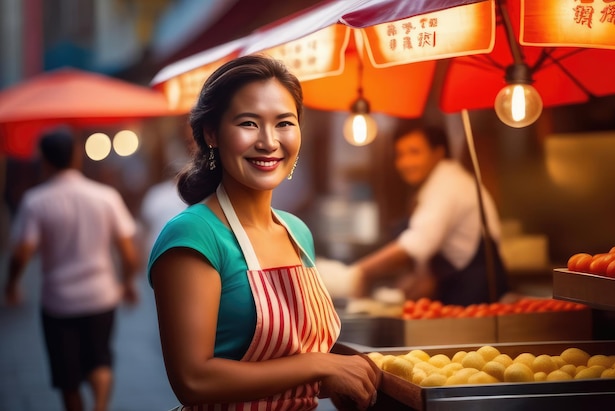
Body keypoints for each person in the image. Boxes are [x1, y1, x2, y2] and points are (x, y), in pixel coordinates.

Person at [147, 54, 379, 411]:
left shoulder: (297, 232)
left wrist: (343, 375)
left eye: (284, 123)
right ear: (212, 134)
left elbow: (287, 374)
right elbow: (193, 380)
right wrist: (318, 363)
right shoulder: (193, 235)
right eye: (249, 123)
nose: (269, 142)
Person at [4, 128, 140, 411]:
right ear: (77, 156)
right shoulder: (106, 196)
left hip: (58, 302)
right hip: (101, 295)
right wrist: (127, 282)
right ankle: (101, 407)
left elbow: (22, 252)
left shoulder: (36, 201)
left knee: (67, 378)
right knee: (100, 360)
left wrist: (12, 284)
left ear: (45, 160)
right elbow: (129, 252)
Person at [350, 127, 509, 306]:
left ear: (438, 153)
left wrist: (359, 271)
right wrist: (419, 280)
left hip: (476, 296)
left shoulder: (448, 184)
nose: (405, 162)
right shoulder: (435, 185)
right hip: (455, 290)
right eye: (400, 154)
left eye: (414, 152)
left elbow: (416, 244)